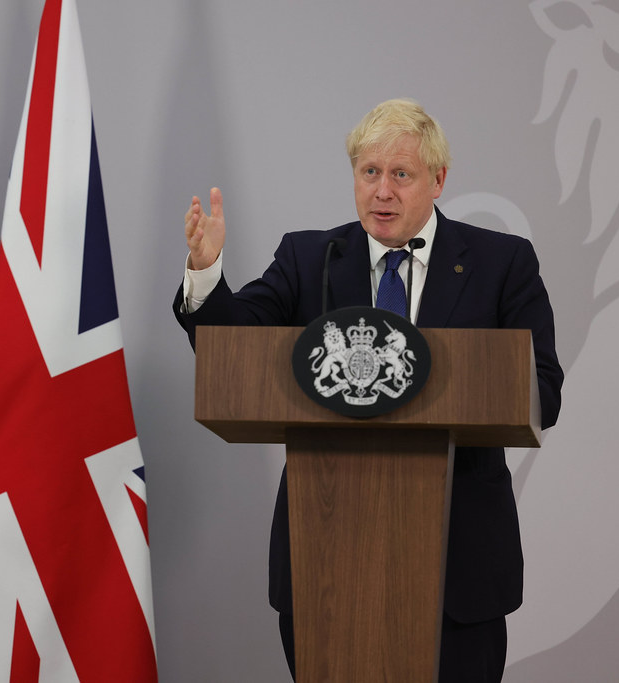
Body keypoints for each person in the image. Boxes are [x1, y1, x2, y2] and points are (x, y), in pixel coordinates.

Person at [172, 98, 564, 682]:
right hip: (324, 563)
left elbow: (543, 389)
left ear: (438, 180)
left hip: (459, 569)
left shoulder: (500, 261)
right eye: (369, 172)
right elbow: (234, 344)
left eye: (401, 174)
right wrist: (206, 274)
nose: (382, 191)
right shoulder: (311, 258)